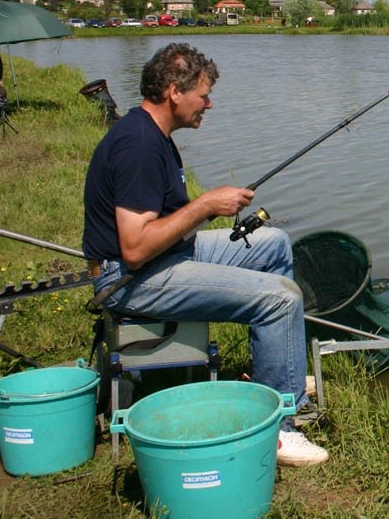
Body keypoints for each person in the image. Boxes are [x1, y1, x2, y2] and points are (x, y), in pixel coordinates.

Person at [82, 42, 328, 467]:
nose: (209, 104)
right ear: (175, 91)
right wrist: (205, 205)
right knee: (280, 297)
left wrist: (208, 206)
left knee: (273, 242)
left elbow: (158, 226)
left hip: (162, 259)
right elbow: (136, 248)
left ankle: (277, 373)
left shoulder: (154, 135)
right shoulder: (139, 144)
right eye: (203, 94)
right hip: (130, 279)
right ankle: (280, 430)